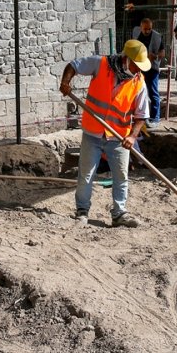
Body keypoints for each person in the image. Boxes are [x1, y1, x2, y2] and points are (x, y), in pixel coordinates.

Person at [59, 40, 150, 228]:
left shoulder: (138, 81)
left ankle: (119, 213)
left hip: (118, 137)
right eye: (136, 64)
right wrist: (65, 82)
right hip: (93, 133)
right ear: (126, 59)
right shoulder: (100, 64)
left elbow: (141, 115)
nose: (138, 69)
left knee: (121, 175)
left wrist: (132, 136)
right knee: (86, 175)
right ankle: (82, 212)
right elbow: (73, 66)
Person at [131, 18, 165, 128]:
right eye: (145, 29)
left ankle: (155, 118)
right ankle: (140, 117)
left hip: (152, 68)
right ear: (141, 27)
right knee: (138, 92)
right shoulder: (136, 33)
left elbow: (162, 53)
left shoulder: (157, 37)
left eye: (149, 29)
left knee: (153, 92)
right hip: (139, 67)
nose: (147, 31)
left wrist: (154, 56)